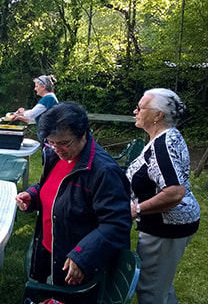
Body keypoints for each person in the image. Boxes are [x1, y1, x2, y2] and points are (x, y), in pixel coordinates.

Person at [16, 102, 131, 303]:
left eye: (64, 143)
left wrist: (83, 256)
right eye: (51, 142)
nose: (57, 148)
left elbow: (117, 224)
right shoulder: (55, 155)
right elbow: (54, 186)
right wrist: (34, 194)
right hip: (52, 250)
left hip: (78, 262)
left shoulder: (103, 171)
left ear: (84, 134)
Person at [126, 88, 200, 304]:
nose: (135, 111)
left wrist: (137, 209)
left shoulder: (162, 146)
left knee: (150, 291)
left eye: (140, 107)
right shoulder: (167, 136)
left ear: (158, 115)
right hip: (179, 222)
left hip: (166, 228)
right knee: (161, 283)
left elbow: (175, 192)